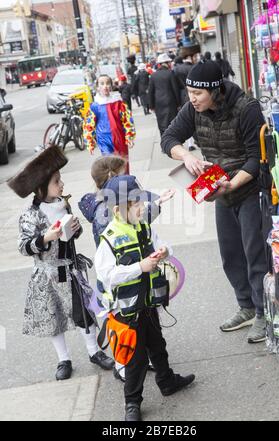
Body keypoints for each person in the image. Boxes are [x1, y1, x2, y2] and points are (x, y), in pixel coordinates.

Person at [161, 61, 268, 343]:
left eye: (197, 93)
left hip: (248, 188)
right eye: (189, 92)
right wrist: (186, 156)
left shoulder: (247, 108)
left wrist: (232, 184)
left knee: (254, 254)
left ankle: (263, 313)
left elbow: (257, 158)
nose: (192, 99)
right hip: (220, 189)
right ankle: (245, 306)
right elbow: (168, 138)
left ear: (214, 90)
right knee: (231, 255)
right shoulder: (192, 110)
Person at [7, 146, 114, 381]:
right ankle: (63, 359)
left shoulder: (63, 204)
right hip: (47, 274)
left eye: (61, 180)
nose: (62, 185)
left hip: (71, 269)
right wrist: (46, 237)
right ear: (40, 188)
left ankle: (94, 352)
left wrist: (75, 229)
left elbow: (72, 234)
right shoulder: (31, 215)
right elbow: (23, 246)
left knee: (84, 313)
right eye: (57, 181)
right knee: (53, 318)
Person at [95, 175, 195, 421]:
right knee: (135, 358)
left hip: (148, 304)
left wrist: (164, 251)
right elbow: (107, 275)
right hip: (127, 312)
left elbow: (164, 245)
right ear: (119, 210)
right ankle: (132, 403)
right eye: (136, 204)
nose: (142, 208)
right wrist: (140, 267)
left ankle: (167, 381)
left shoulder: (144, 227)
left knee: (158, 346)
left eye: (142, 202)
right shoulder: (109, 238)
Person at [83, 74, 135, 172]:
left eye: (107, 83)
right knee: (109, 165)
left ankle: (124, 186)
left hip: (120, 138)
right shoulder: (95, 106)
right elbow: (89, 125)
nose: (105, 86)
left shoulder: (118, 103)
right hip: (104, 139)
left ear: (111, 86)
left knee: (123, 164)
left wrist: (129, 136)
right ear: (98, 87)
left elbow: (127, 120)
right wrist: (90, 142)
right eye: (102, 84)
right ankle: (114, 185)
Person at [148, 53, 181, 136]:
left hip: (158, 102)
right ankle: (173, 141)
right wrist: (178, 103)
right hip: (171, 101)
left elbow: (150, 92)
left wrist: (151, 106)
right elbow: (175, 89)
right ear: (167, 63)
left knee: (161, 123)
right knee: (172, 123)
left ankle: (164, 142)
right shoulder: (171, 73)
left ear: (159, 64)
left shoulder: (153, 75)